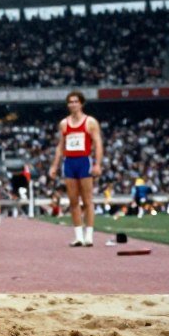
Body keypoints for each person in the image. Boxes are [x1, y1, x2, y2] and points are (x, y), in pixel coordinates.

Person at [48, 91, 104, 247]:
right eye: (70, 102)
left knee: (87, 200)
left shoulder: (90, 122)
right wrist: (54, 165)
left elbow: (98, 143)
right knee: (73, 200)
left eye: (75, 102)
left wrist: (97, 164)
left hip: (84, 161)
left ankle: (89, 235)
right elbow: (61, 145)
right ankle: (78, 236)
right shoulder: (64, 124)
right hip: (69, 162)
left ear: (81, 103)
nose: (72, 104)